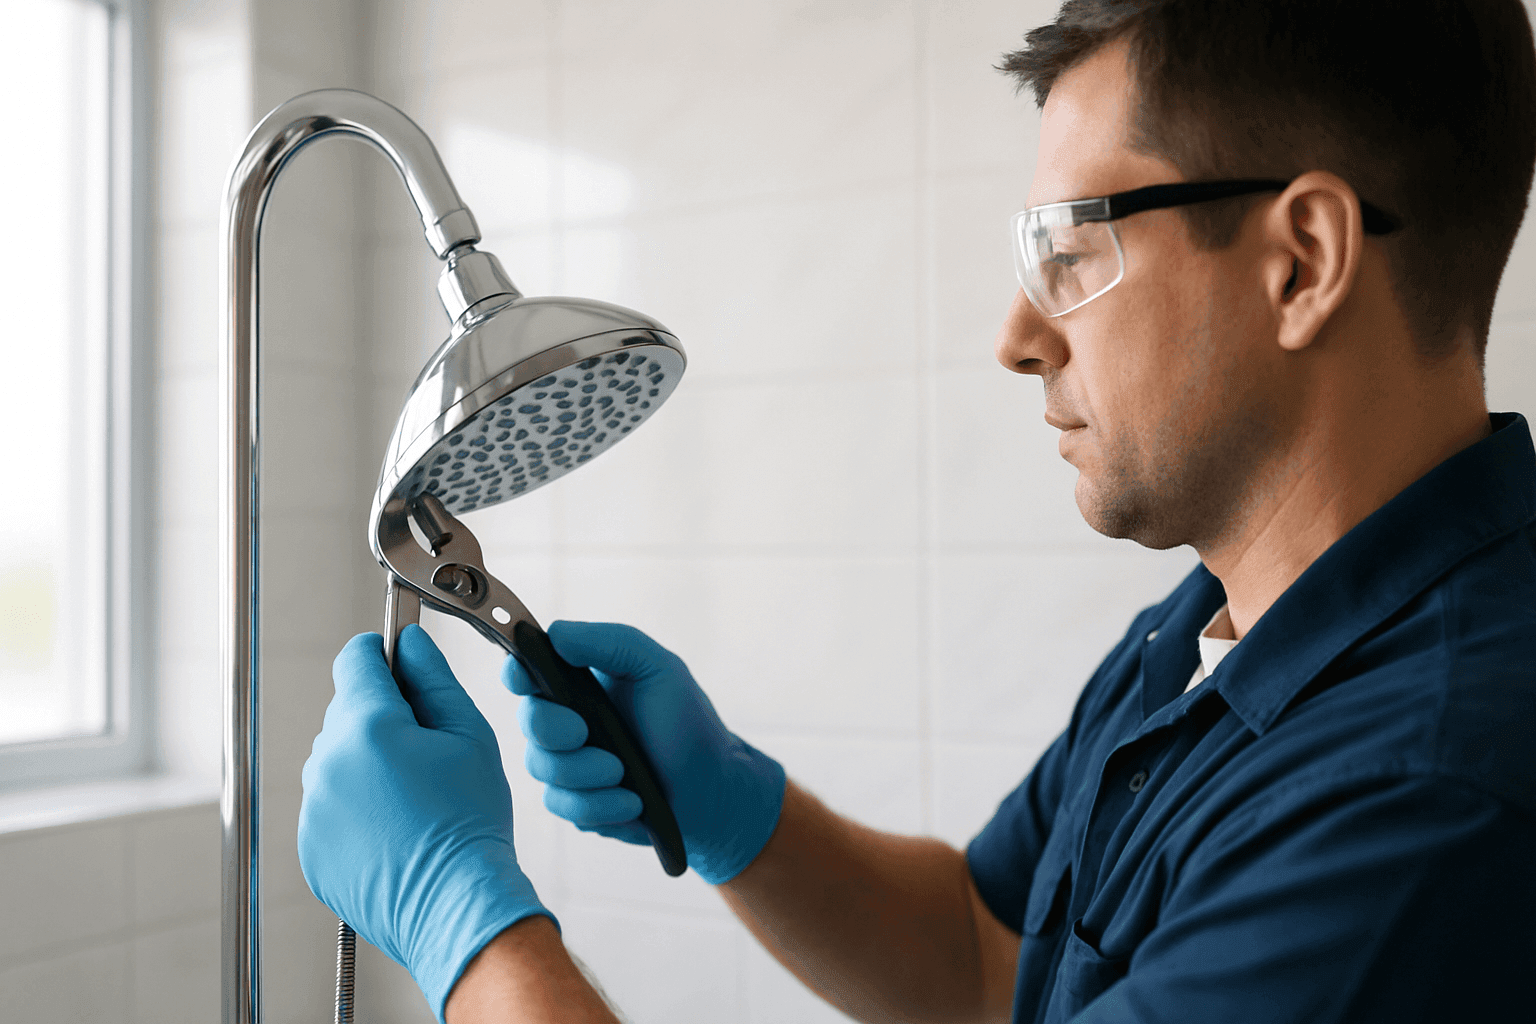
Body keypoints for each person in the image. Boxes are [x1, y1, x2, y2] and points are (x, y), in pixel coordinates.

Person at [298, 1, 1536, 1021]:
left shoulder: (1427, 800)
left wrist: (470, 927)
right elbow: (984, 957)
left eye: (1071, 252)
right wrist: (741, 810)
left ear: (1301, 261)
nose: (1015, 337)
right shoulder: (1215, 634)